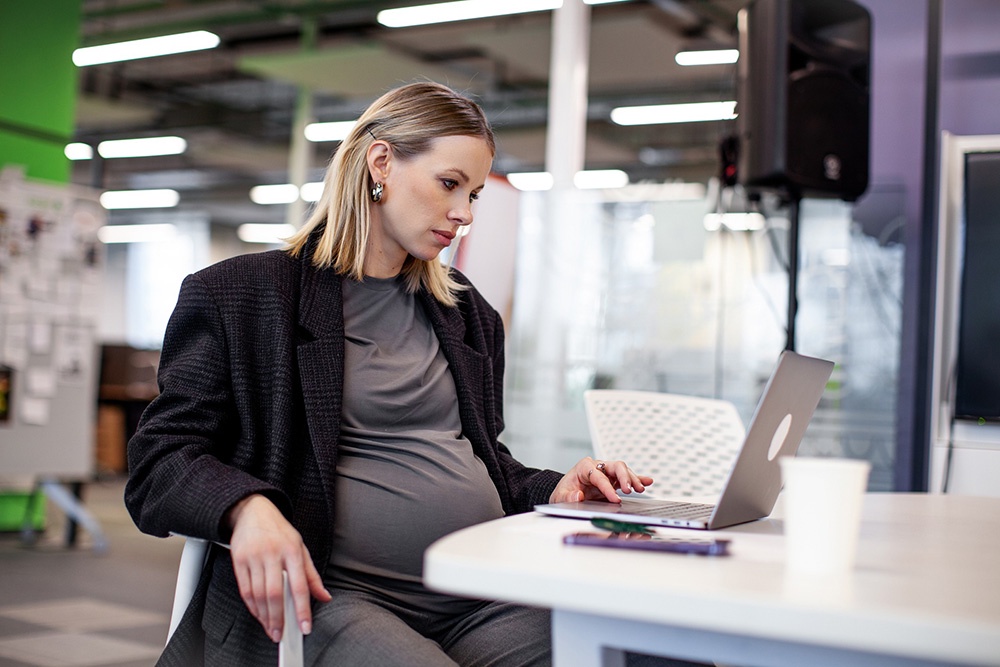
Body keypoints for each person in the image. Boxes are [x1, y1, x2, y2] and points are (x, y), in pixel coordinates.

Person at [125, 81, 655, 667]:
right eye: (450, 184)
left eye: (475, 195)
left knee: (648, 647)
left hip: (477, 598)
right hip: (330, 597)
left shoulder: (466, 314)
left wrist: (554, 489)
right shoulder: (242, 296)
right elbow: (160, 460)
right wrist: (247, 509)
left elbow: (483, 460)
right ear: (381, 162)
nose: (464, 214)